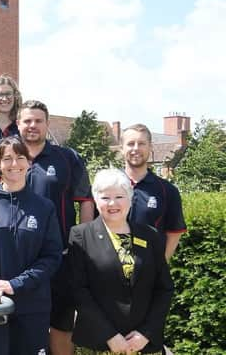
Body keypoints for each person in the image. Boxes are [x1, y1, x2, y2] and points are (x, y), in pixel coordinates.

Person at [0, 136, 62, 355]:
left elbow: (52, 257)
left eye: (20, 157)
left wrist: (15, 284)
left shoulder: (44, 207)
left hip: (33, 306)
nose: (14, 164)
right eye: (7, 158)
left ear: (29, 163)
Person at [67, 168, 174, 354]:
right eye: (105, 197)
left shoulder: (150, 236)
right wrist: (109, 335)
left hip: (143, 344)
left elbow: (164, 289)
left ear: (130, 198)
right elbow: (78, 291)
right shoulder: (80, 236)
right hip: (98, 343)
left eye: (119, 196)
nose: (112, 203)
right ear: (95, 200)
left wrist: (146, 333)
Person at [17, 100, 95, 355]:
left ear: (47, 125)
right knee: (19, 323)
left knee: (61, 322)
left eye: (38, 121)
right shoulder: (8, 158)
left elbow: (85, 202)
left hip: (60, 257)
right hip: (18, 259)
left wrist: (82, 246)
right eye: (27, 120)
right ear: (18, 124)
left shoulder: (67, 158)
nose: (32, 126)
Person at [121, 124, 186, 260]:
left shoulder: (167, 191)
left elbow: (174, 233)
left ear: (150, 147)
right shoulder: (105, 188)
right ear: (122, 148)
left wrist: (160, 267)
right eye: (130, 144)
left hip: (149, 274)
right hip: (108, 273)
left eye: (142, 144)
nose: (136, 149)